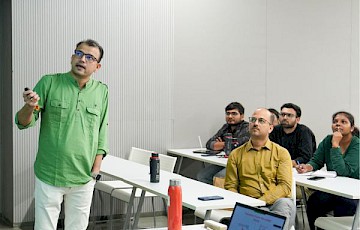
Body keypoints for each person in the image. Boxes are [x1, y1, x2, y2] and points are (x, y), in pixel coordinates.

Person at [15, 39, 109, 230]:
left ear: (97, 66)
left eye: (90, 57)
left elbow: (102, 131)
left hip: (83, 177)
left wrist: (95, 170)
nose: (83, 59)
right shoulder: (49, 82)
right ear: (72, 57)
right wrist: (29, 106)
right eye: (79, 53)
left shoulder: (101, 91)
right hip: (50, 173)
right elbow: (23, 122)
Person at [224, 108, 296, 230]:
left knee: (284, 204)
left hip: (275, 203)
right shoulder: (236, 154)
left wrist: (262, 201)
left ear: (270, 128)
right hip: (249, 204)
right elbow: (230, 186)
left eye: (261, 121)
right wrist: (247, 205)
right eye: (253, 120)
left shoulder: (281, 153)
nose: (256, 123)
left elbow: (285, 186)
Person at [296, 111, 359, 230]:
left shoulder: (357, 144)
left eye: (343, 122)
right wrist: (308, 167)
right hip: (335, 189)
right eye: (335, 122)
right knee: (314, 202)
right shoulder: (327, 140)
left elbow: (344, 172)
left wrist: (335, 145)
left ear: (351, 128)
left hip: (352, 193)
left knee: (344, 206)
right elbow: (317, 160)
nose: (338, 125)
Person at [196, 102, 250, 185]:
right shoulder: (225, 127)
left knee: (220, 177)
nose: (230, 116)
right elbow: (209, 144)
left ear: (242, 116)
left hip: (240, 164)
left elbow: (237, 146)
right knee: (202, 176)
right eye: (228, 114)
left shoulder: (247, 128)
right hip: (224, 162)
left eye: (234, 114)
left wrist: (221, 144)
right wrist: (227, 144)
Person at [270, 103, 317, 167]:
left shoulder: (304, 132)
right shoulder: (275, 130)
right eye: (283, 114)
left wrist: (290, 163)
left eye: (289, 115)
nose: (285, 118)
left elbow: (306, 157)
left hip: (299, 170)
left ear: (297, 119)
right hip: (277, 166)